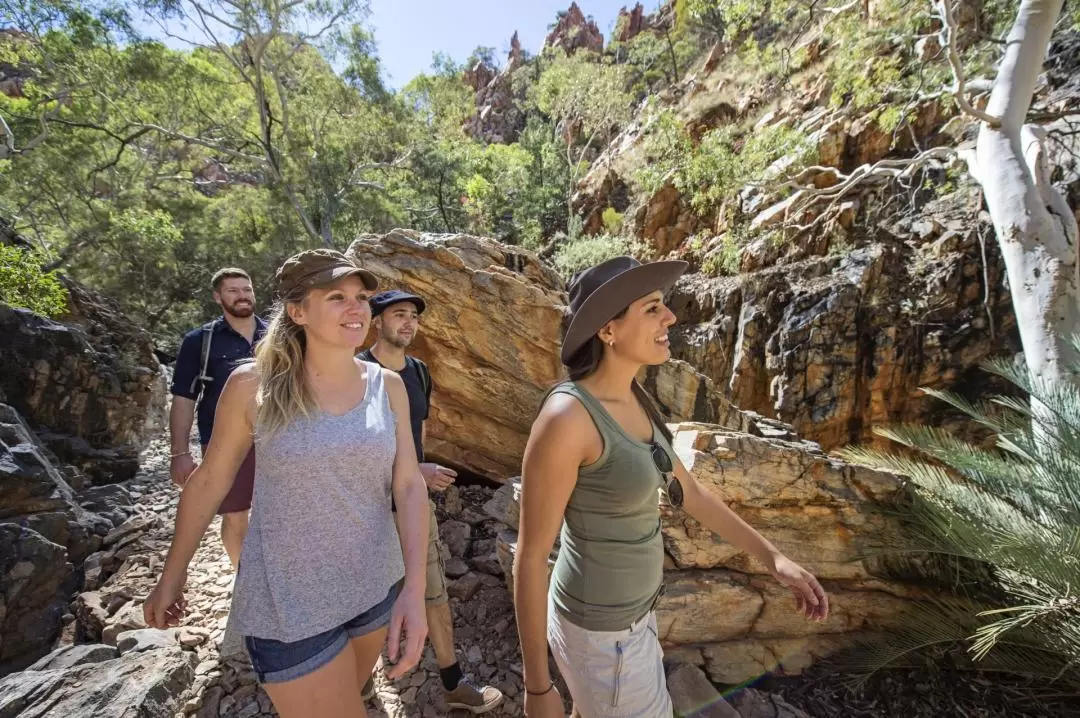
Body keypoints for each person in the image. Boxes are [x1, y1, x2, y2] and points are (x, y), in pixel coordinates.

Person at [514, 256, 830, 718]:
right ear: (608, 330)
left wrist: (774, 558)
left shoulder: (634, 397)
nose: (671, 317)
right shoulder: (568, 419)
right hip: (605, 639)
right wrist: (537, 690)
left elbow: (692, 494)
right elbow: (530, 556)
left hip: (631, 625)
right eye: (652, 308)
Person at [144, 249, 430, 718]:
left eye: (361, 296)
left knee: (349, 698)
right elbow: (209, 483)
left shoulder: (388, 386)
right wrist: (171, 577)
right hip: (287, 604)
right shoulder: (252, 385)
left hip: (373, 588)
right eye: (337, 297)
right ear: (298, 312)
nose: (356, 308)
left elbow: (409, 487)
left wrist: (413, 591)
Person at [359, 289, 504, 714]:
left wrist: (416, 478)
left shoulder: (419, 372)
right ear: (376, 322)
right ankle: (361, 683)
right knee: (367, 599)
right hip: (364, 508)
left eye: (413, 317)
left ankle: (453, 682)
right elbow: (349, 453)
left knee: (433, 591)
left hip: (411, 505)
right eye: (397, 314)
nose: (407, 322)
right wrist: (412, 472)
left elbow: (416, 438)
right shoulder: (358, 372)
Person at [169, 267, 265, 570]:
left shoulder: (278, 335)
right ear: (217, 296)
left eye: (246, 289)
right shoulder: (199, 341)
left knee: (279, 513)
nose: (242, 296)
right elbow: (184, 399)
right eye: (233, 291)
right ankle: (245, 580)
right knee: (236, 515)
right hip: (223, 443)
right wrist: (179, 453)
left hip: (277, 438)